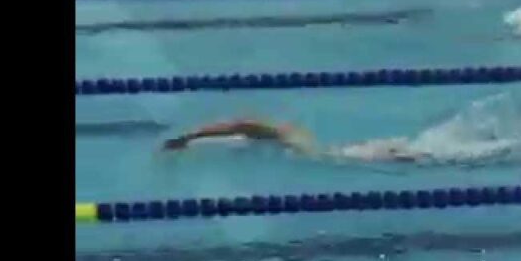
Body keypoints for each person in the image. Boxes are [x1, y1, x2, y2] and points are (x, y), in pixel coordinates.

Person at [162, 118, 432, 163]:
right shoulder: (284, 132)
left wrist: (189, 137)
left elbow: (235, 125)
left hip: (324, 156)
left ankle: (396, 152)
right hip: (328, 151)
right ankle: (395, 151)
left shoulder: (279, 135)